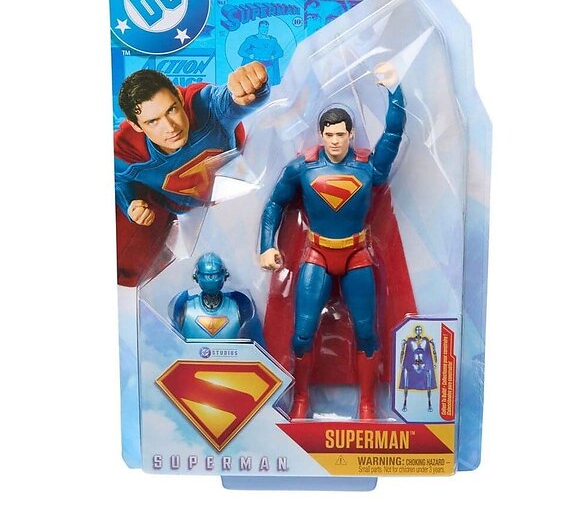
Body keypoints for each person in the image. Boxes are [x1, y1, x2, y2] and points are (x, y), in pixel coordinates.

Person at [259, 83, 406, 420]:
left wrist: (395, 90)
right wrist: (267, 245)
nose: (335, 141)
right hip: (317, 255)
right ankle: (300, 400)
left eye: (341, 134)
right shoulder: (302, 168)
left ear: (351, 135)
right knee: (302, 332)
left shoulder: (368, 167)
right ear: (321, 135)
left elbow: (394, 133)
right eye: (329, 134)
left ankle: (367, 405)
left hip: (357, 255)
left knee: (366, 332)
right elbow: (275, 204)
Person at [114, 62, 269, 286]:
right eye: (153, 121)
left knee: (255, 266)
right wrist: (131, 204)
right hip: (176, 216)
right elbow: (118, 179)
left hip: (235, 197)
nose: (170, 127)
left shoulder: (204, 108)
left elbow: (232, 101)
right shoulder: (128, 152)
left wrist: (250, 87)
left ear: (179, 97)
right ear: (136, 126)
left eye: (171, 110)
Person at [169, 253, 263, 344]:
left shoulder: (240, 306)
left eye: (214, 275)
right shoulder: (183, 306)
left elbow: (256, 341)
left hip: (232, 354)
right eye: (207, 276)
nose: (211, 278)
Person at [399, 325, 438, 412]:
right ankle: (404, 403)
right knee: (406, 382)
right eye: (417, 330)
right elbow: (403, 351)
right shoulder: (409, 341)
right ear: (415, 331)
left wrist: (435, 362)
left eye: (420, 330)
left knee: (428, 383)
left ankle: (429, 403)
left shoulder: (426, 341)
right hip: (412, 365)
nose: (418, 331)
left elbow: (433, 351)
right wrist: (401, 362)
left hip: (424, 365)